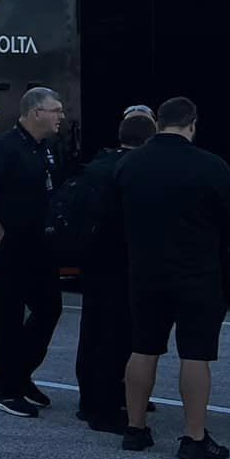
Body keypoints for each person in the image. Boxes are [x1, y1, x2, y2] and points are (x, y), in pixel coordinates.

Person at [117, 97, 230, 459]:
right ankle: (193, 438)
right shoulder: (210, 165)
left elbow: (113, 215)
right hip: (197, 273)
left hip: (145, 272)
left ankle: (135, 429)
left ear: (158, 123)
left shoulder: (130, 163)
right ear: (192, 123)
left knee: (143, 349)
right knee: (195, 354)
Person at [0, 87, 66, 418]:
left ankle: (22, 374)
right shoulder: (3, 147)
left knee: (50, 309)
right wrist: (0, 236)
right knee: (9, 319)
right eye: (56, 110)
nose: (61, 116)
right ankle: (8, 390)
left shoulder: (46, 148)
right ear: (36, 112)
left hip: (41, 246)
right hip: (11, 248)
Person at [71, 108, 156, 434]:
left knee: (92, 331)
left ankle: (88, 400)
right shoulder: (134, 170)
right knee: (116, 336)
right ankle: (106, 408)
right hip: (121, 262)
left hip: (92, 259)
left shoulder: (99, 164)